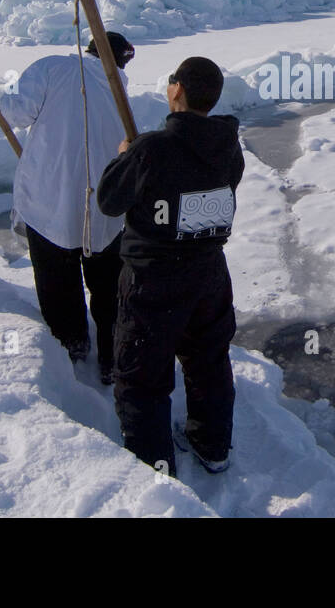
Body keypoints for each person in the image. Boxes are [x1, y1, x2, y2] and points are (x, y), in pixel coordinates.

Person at [96, 56, 244, 476]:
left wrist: (125, 157)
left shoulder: (152, 147)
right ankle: (213, 446)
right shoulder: (228, 143)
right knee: (209, 359)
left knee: (142, 374)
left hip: (152, 279)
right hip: (210, 271)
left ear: (176, 90)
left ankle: (154, 470)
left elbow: (109, 201)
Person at [0, 33, 135, 383]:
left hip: (50, 202)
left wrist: (8, 84)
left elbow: (12, 110)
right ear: (119, 61)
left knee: (57, 280)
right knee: (108, 285)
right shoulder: (118, 87)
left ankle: (70, 345)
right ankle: (112, 357)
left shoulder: (51, 67)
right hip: (106, 208)